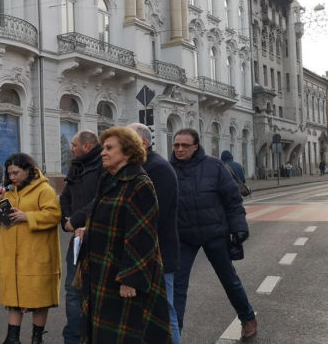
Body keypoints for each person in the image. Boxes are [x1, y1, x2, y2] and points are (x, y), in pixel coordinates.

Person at [76, 127, 171, 343]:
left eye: (109, 148)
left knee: (126, 335)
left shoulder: (139, 183)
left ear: (127, 152)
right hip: (103, 272)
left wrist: (131, 279)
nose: (103, 152)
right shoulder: (109, 180)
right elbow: (108, 219)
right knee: (103, 333)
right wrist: (87, 230)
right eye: (103, 148)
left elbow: (143, 235)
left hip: (122, 277)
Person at [170, 128, 257, 338]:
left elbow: (233, 201)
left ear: (196, 147)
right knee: (177, 288)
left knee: (229, 279)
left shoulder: (214, 166)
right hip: (184, 236)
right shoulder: (168, 169)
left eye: (185, 145)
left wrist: (239, 228)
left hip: (214, 233)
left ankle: (247, 317)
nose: (179, 149)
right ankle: (174, 333)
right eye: (176, 145)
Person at [0, 153, 61, 344]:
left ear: (28, 170)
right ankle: (12, 339)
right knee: (14, 299)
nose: (12, 177)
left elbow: (54, 215)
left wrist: (27, 216)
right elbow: (1, 220)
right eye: (10, 174)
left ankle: (37, 339)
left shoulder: (44, 190)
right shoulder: (9, 191)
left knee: (39, 300)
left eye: (16, 173)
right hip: (11, 254)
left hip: (36, 254)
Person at [128, 123, 181, 344]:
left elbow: (153, 215)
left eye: (127, 140)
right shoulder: (138, 166)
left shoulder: (158, 168)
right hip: (143, 252)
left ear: (143, 143)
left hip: (159, 253)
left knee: (165, 312)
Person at [58, 130, 103, 344]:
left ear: (86, 146)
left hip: (99, 238)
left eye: (74, 144)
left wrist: (75, 220)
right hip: (76, 240)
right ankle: (72, 338)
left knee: (97, 292)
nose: (71, 148)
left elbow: (100, 199)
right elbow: (65, 196)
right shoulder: (76, 166)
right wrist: (67, 220)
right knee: (73, 290)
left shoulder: (103, 165)